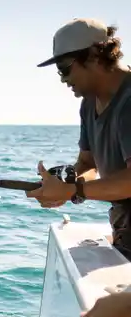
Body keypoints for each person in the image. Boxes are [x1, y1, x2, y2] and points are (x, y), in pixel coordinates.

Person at [26, 18, 131, 262]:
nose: (62, 79)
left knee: (103, 303)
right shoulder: (88, 104)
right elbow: (87, 163)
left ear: (95, 56)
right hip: (124, 234)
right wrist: (63, 188)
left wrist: (73, 189)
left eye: (64, 68)